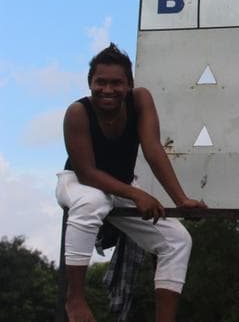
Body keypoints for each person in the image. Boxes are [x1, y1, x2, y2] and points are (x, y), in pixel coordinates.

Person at [57, 43, 206, 322]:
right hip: (78, 183)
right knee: (92, 201)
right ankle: (74, 299)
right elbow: (87, 173)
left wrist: (180, 199)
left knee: (177, 239)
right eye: (100, 82)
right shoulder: (78, 112)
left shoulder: (140, 101)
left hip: (121, 187)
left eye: (117, 83)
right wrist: (136, 194)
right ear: (90, 83)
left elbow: (152, 149)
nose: (108, 90)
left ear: (129, 85)